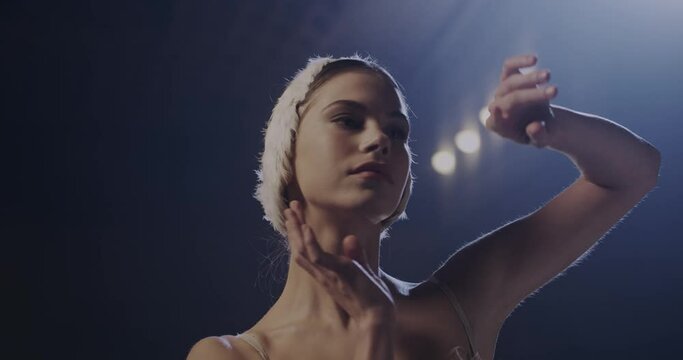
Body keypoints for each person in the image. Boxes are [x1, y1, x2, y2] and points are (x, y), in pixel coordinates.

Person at [186, 54, 661, 360]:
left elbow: (633, 172)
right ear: (286, 153)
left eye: (397, 132)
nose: (379, 139)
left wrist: (552, 129)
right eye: (348, 120)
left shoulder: (459, 298)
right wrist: (374, 330)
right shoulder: (232, 356)